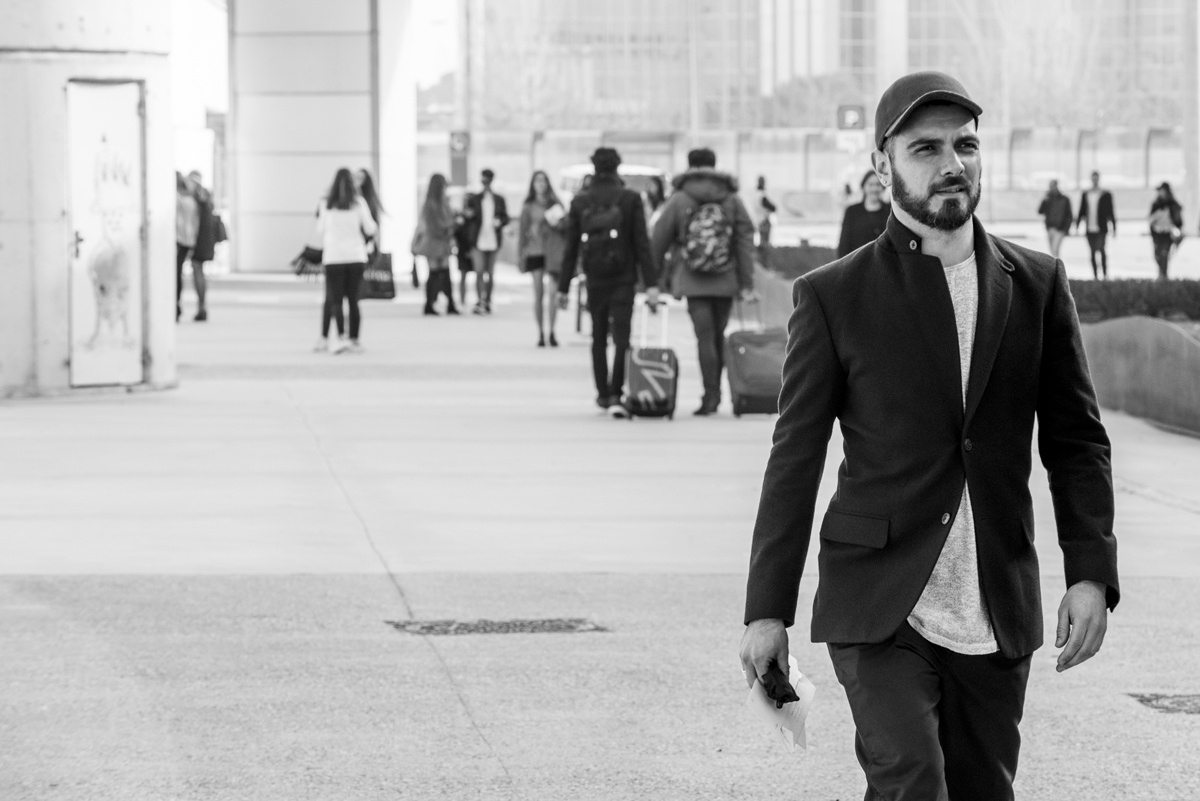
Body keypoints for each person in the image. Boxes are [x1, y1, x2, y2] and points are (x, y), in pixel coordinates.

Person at [740, 71, 1118, 801]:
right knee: (912, 779)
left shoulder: (1037, 283)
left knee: (982, 790)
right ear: (884, 167)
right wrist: (767, 609)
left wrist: (1090, 570)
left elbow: (1077, 440)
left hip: (996, 604)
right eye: (926, 148)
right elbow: (795, 457)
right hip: (880, 600)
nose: (952, 163)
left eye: (966, 145)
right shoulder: (833, 295)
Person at [650, 147, 756, 416]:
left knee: (704, 337)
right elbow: (744, 242)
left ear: (689, 166)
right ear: (714, 165)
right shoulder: (731, 198)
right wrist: (746, 283)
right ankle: (723, 392)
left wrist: (653, 279)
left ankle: (711, 396)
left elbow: (659, 239)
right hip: (726, 277)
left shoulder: (680, 197)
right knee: (718, 335)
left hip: (692, 278)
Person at [557, 147, 660, 416]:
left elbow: (570, 248)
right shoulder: (629, 198)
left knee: (598, 336)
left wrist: (563, 287)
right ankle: (617, 391)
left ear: (593, 167)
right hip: (624, 277)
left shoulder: (581, 201)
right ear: (617, 167)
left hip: (594, 278)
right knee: (623, 337)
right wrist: (651, 284)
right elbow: (641, 244)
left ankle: (602, 394)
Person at [316, 167, 377, 353]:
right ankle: (355, 340)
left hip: (333, 257)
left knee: (335, 300)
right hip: (355, 256)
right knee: (353, 300)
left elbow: (320, 229)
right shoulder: (358, 203)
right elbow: (370, 228)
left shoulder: (326, 203)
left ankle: (340, 337)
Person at [518, 170, 568, 346]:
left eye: (544, 181)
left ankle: (552, 331)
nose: (541, 184)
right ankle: (540, 332)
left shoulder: (555, 203)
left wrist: (557, 223)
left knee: (553, 293)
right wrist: (521, 255)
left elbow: (567, 226)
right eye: (537, 181)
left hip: (553, 252)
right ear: (532, 184)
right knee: (538, 293)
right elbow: (522, 233)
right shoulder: (528, 206)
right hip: (535, 251)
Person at [463, 168, 510, 314]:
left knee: (490, 272)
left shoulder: (499, 199)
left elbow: (505, 218)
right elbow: (467, 217)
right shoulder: (474, 198)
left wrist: (499, 222)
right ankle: (479, 301)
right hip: (478, 239)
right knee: (479, 271)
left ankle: (487, 300)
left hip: (493, 239)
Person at [413, 174, 459, 315]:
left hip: (439, 242)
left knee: (442, 273)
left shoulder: (438, 203)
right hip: (435, 242)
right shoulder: (433, 205)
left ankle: (442, 303)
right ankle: (432, 304)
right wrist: (453, 223)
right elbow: (440, 225)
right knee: (436, 273)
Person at [836, 169, 891, 258]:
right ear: (864, 186)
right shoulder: (852, 211)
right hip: (857, 264)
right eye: (870, 184)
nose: (874, 189)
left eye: (878, 184)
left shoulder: (890, 211)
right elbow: (844, 243)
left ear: (882, 187)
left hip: (883, 265)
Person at [1075, 170, 1116, 279]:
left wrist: (1114, 226)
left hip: (1101, 227)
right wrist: (1077, 225)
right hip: (1090, 228)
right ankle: (1095, 276)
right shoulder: (1086, 194)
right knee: (1092, 252)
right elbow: (1082, 210)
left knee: (1101, 250)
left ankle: (1105, 274)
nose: (1095, 180)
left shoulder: (1106, 195)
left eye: (1096, 178)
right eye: (1093, 178)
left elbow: (1111, 211)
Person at [186, 170, 215, 322]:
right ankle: (202, 306)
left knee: (197, 271)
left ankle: (202, 306)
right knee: (199, 271)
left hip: (199, 240)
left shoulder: (199, 197)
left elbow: (195, 221)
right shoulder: (206, 196)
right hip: (205, 239)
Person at [175, 171, 199, 323]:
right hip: (187, 241)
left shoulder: (177, 199)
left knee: (175, 274)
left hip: (179, 240)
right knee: (177, 273)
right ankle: (176, 305)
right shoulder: (191, 199)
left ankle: (175, 305)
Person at [1148, 181, 1184, 280]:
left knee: (1164, 255)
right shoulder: (1156, 204)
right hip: (1157, 234)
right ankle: (1162, 274)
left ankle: (1163, 276)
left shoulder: (1172, 204)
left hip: (1167, 234)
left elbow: (1178, 220)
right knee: (1157, 255)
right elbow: (1150, 219)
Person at [1037, 179, 1073, 260]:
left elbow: (1069, 215)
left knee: (1055, 250)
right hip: (1050, 228)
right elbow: (1040, 211)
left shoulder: (1064, 199)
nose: (1051, 188)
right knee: (1052, 252)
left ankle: (1058, 270)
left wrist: (1066, 229)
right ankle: (1056, 269)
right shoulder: (1048, 199)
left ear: (1056, 186)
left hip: (1060, 229)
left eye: (1052, 186)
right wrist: (1044, 200)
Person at [755, 175, 777, 249]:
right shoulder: (762, 194)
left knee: (763, 240)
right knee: (765, 241)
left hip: (759, 219)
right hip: (764, 219)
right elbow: (772, 207)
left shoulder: (756, 193)